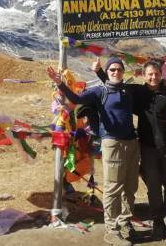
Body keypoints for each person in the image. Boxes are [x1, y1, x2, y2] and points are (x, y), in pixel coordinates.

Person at [94, 59, 166, 239]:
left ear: (161, 75)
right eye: (150, 74)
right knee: (153, 186)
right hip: (147, 147)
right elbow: (115, 82)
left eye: (156, 74)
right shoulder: (136, 92)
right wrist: (99, 72)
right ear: (144, 76)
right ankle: (157, 220)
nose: (153, 77)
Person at [47, 57, 139, 246]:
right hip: (112, 143)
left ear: (123, 72)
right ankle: (111, 231)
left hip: (131, 143)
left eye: (119, 69)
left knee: (130, 187)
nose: (116, 72)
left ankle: (125, 222)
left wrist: (100, 71)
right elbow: (76, 99)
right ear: (108, 71)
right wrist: (60, 83)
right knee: (113, 187)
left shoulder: (127, 90)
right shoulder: (99, 91)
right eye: (112, 69)